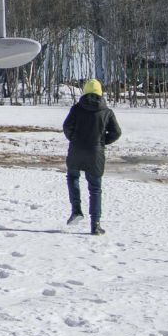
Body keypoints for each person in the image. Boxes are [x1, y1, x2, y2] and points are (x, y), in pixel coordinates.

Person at [62, 78, 122, 236]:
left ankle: (76, 211)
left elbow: (67, 127)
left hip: (76, 150)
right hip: (95, 153)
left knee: (73, 177)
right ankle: (95, 225)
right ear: (100, 92)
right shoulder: (107, 112)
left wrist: (74, 139)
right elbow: (116, 133)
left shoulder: (76, 109)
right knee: (95, 188)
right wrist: (102, 142)